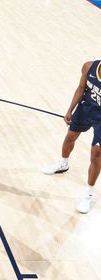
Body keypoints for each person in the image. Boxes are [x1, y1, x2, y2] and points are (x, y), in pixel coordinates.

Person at [43, 60, 101, 213]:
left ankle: (88, 194)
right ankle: (63, 164)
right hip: (86, 108)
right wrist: (70, 110)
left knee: (96, 153)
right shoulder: (89, 67)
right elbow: (81, 88)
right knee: (70, 137)